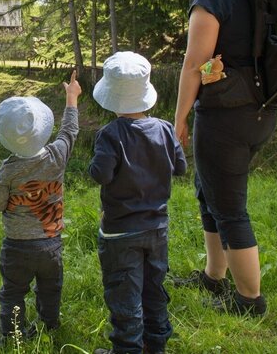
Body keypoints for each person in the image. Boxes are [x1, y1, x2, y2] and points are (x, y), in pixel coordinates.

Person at [173, 0, 277, 316]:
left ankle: (250, 301)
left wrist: (180, 118)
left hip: (225, 118)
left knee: (230, 207)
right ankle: (214, 277)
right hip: (260, 111)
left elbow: (192, 65)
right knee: (209, 190)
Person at [89, 52, 187, 354]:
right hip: (157, 229)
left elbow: (100, 175)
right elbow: (180, 167)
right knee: (154, 290)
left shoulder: (110, 135)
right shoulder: (165, 129)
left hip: (120, 233)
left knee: (124, 294)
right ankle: (155, 346)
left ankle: (127, 349)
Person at [0, 70, 81, 344]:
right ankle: (50, 324)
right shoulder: (57, 156)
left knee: (14, 291)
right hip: (51, 244)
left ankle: (13, 335)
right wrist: (71, 98)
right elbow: (69, 130)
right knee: (50, 287)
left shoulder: (8, 171)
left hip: (17, 246)